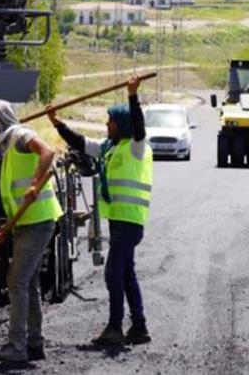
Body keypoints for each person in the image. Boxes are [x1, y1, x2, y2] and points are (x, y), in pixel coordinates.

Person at [47, 76, 153, 346]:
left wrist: (132, 95)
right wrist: (57, 123)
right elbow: (81, 142)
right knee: (126, 272)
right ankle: (138, 327)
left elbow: (139, 127)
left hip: (130, 221)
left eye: (111, 122)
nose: (107, 125)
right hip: (119, 220)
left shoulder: (136, 147)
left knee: (112, 273)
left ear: (123, 125)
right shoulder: (109, 148)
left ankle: (115, 327)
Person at [0, 100, 63, 363]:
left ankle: (17, 346)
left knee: (16, 281)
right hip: (27, 221)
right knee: (28, 283)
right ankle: (34, 344)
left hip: (38, 221)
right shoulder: (9, 146)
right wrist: (8, 227)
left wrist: (35, 184)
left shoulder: (20, 135)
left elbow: (48, 152)